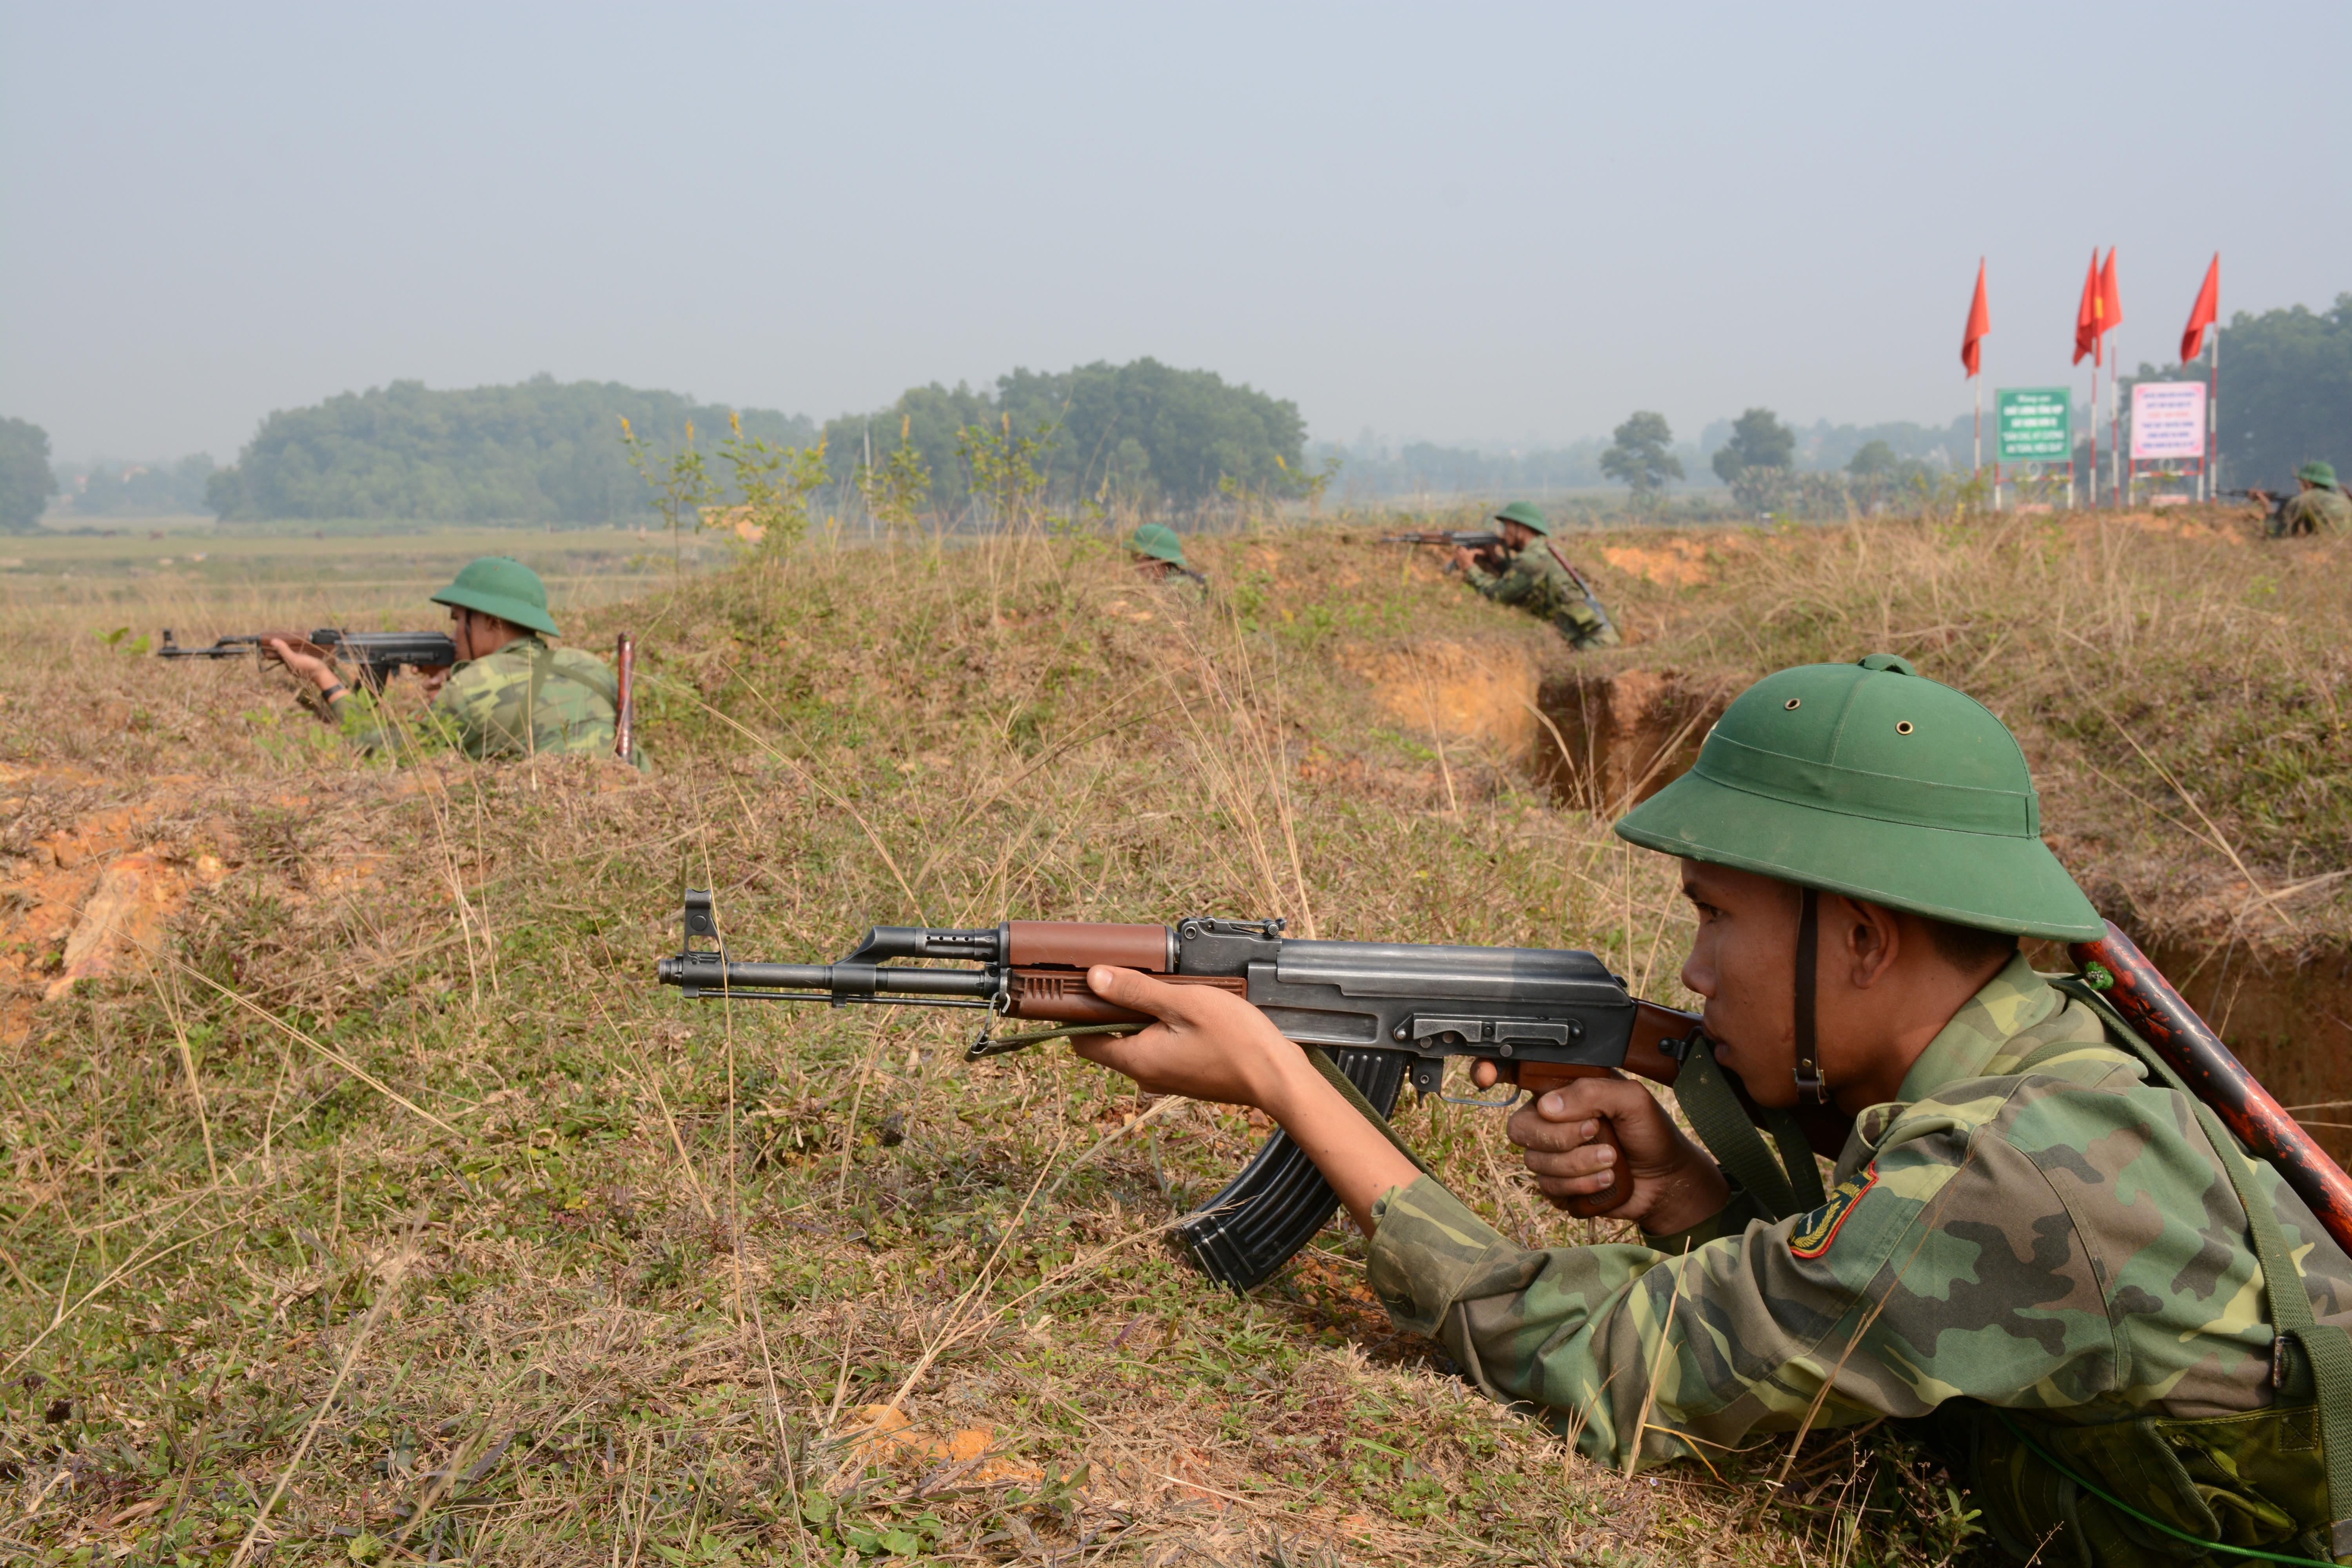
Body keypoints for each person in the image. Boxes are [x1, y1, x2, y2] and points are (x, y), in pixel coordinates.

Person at [1071, 653, 2352, 1565]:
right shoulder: (2051, 1065)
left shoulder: (2012, 1171)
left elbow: (1605, 1369)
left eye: (1716, 916)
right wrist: (1696, 1200)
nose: (1691, 972)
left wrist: (1287, 1082)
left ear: (1858, 938)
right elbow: (1894, 1314)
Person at [271, 556, 632, 764]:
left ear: (491, 621)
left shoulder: (471, 688)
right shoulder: (590, 667)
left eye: (460, 620)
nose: (456, 634)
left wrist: (322, 676)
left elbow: (373, 746)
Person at [1451, 501, 1619, 650]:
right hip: (1590, 635)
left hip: (1593, 642)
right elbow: (1520, 577)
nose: (1503, 533)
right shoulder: (1541, 552)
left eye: (1507, 527)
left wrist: (1469, 567)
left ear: (1522, 529)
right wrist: (1496, 561)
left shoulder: (1533, 559)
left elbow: (1496, 594)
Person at [2254, 462, 2352, 539]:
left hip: (2326, 547)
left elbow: (2277, 535)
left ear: (2308, 483)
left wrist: (2267, 508)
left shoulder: (2304, 500)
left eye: (2301, 481)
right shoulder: (2343, 499)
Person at [1129, 523, 1206, 586]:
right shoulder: (1166, 582)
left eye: (1140, 558)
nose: (1137, 566)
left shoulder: (1178, 586)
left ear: (1157, 561)